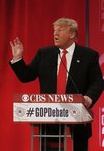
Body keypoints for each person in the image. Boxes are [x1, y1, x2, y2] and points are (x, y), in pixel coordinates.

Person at [9, 17, 103, 151]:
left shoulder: (88, 55)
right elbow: (26, 76)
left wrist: (88, 98)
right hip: (49, 122)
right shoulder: (44, 54)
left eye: (60, 30)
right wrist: (17, 58)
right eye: (54, 30)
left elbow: (97, 82)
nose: (55, 33)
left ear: (72, 34)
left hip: (78, 122)